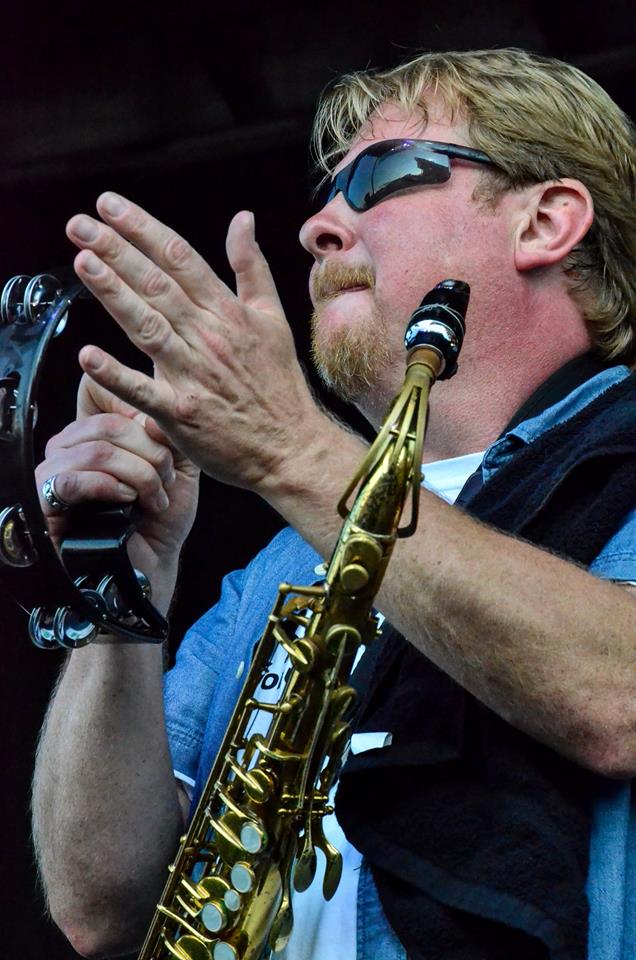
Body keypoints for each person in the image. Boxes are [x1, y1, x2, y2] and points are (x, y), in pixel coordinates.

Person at [31, 48, 636, 960]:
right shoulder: (281, 564)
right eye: (323, 195)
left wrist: (291, 449)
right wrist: (123, 589)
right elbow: (100, 907)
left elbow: (621, 696)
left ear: (546, 220)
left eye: (379, 175)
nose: (318, 225)